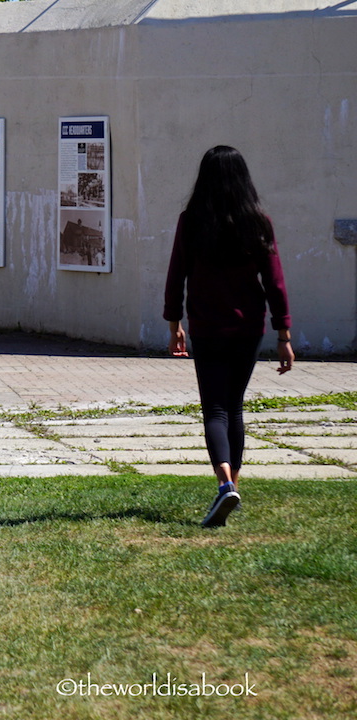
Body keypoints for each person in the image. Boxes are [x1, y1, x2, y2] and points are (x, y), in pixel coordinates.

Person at [164, 146, 293, 528]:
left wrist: (174, 325)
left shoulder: (191, 222)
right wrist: (283, 333)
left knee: (215, 410)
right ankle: (232, 485)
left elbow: (176, 277)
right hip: (248, 327)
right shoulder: (258, 222)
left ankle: (224, 485)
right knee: (234, 407)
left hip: (207, 326)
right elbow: (275, 282)